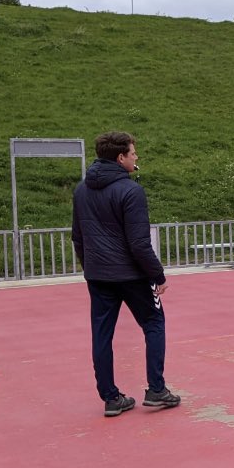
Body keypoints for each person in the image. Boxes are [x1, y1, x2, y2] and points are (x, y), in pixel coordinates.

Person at [71, 131, 180, 417]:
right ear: (120, 157)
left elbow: (78, 237)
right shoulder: (131, 191)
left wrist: (89, 267)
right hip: (131, 274)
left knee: (102, 335)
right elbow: (139, 243)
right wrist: (158, 275)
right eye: (133, 153)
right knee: (154, 322)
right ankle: (156, 389)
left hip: (98, 275)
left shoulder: (81, 190)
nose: (136, 157)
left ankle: (110, 397)